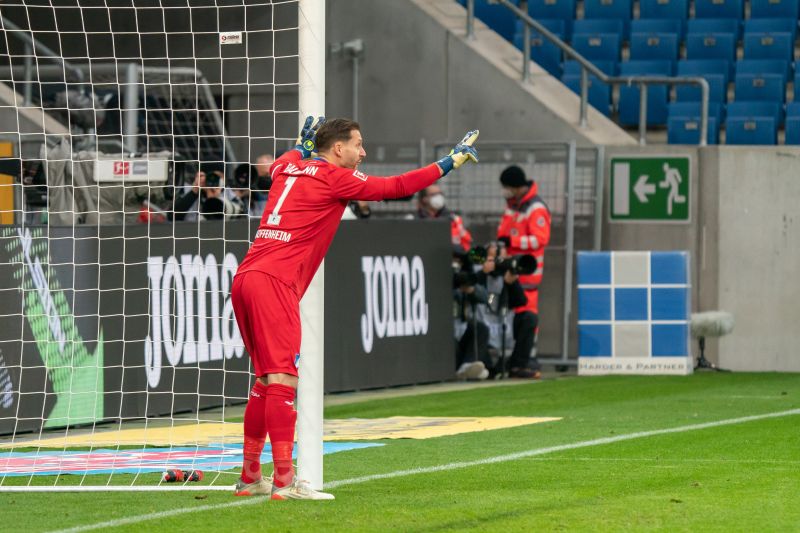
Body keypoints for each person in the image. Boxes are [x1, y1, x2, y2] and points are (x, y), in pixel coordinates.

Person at [231, 117, 479, 500]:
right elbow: (396, 187)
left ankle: (250, 476)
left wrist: (302, 144)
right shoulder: (334, 177)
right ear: (337, 149)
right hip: (275, 282)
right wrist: (447, 163)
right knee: (282, 381)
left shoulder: (286, 166)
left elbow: (294, 153)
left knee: (265, 381)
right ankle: (284, 481)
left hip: (246, 276)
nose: (363, 153)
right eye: (358, 145)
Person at [496, 165, 551, 379]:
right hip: (512, 273)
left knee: (527, 321)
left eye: (507, 187)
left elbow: (540, 239)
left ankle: (528, 359)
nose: (505, 191)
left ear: (516, 187)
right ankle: (516, 360)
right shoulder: (515, 206)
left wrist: (513, 241)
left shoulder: (535, 208)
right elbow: (504, 233)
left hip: (528, 275)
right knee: (516, 320)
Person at [416, 184, 472, 252]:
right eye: (434, 194)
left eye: (440, 194)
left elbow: (467, 244)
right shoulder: (416, 221)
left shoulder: (454, 219)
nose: (438, 197)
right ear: (424, 199)